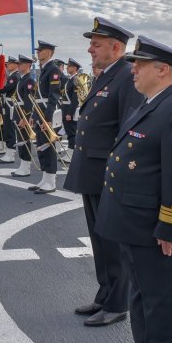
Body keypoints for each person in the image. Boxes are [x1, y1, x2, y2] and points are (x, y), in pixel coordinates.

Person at [95, 37, 172, 343]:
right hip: (135, 222)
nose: (133, 69)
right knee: (142, 294)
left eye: (139, 64)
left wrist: (170, 229)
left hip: (156, 227)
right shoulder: (150, 104)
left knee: (161, 298)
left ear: (162, 70)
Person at [63, 17, 143, 326]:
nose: (90, 49)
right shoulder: (106, 75)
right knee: (99, 239)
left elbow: (128, 130)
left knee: (112, 242)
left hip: (108, 173)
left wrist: (119, 176)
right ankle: (104, 295)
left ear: (116, 47)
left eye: (96, 44)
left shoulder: (127, 76)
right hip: (92, 170)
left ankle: (117, 303)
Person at [29, 40, 62, 193]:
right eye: (38, 50)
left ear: (49, 52)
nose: (38, 52)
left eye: (41, 50)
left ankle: (51, 181)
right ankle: (45, 178)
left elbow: (53, 96)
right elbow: (38, 96)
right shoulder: (44, 69)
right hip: (39, 111)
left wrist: (47, 118)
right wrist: (34, 116)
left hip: (46, 113)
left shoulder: (53, 69)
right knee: (41, 146)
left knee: (48, 147)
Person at [10, 55, 36, 177]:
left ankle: (26, 167)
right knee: (20, 139)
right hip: (18, 111)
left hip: (22, 114)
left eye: (21, 64)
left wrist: (24, 118)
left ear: (27, 65)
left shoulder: (29, 80)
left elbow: (29, 102)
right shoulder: (22, 79)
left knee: (24, 140)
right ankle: (23, 165)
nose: (18, 65)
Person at [0, 56, 20, 164]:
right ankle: (9, 152)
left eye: (10, 63)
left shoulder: (15, 77)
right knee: (7, 128)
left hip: (11, 104)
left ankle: (10, 154)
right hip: (8, 103)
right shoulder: (12, 76)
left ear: (15, 65)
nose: (8, 65)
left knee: (9, 129)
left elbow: (5, 89)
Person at [61, 58, 82, 151]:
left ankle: (71, 152)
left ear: (75, 68)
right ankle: (70, 150)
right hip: (65, 108)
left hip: (70, 109)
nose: (66, 68)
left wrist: (70, 113)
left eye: (69, 66)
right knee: (69, 131)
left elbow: (75, 99)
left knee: (72, 132)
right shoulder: (71, 79)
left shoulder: (76, 80)